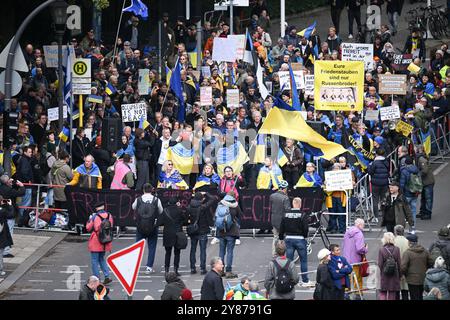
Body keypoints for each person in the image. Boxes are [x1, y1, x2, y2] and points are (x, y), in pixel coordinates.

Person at [132, 183, 163, 274]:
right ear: (152, 190)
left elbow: (133, 207)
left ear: (143, 190)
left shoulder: (138, 199)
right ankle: (149, 267)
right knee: (152, 247)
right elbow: (160, 211)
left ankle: (135, 266)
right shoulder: (156, 200)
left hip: (140, 225)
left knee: (137, 247)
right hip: (152, 226)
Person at [187, 192, 217, 275]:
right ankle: (202, 268)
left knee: (193, 249)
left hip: (193, 230)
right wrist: (206, 193)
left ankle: (192, 267)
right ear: (201, 199)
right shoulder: (202, 207)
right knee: (203, 250)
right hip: (203, 230)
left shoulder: (189, 207)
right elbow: (213, 199)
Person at [86, 201, 113, 285]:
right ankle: (107, 276)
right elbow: (111, 226)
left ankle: (96, 279)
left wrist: (89, 220)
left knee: (94, 260)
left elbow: (88, 228)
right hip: (105, 240)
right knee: (101, 259)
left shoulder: (95, 216)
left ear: (97, 208)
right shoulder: (109, 216)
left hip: (96, 240)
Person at [401, 233, 434, 300]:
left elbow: (403, 267)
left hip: (411, 279)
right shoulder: (425, 251)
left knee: (413, 296)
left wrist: (405, 274)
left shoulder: (407, 253)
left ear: (410, 242)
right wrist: (425, 269)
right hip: (422, 277)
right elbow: (431, 262)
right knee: (420, 295)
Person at [216, 191, 241, 279]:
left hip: (221, 230)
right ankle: (228, 271)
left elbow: (216, 216)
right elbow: (240, 215)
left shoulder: (220, 203)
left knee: (221, 251)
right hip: (231, 232)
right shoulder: (235, 205)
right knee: (230, 251)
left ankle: (220, 270)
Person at [160, 197, 187, 276]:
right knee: (177, 253)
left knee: (168, 253)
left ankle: (166, 270)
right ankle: (175, 270)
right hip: (177, 233)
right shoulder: (179, 210)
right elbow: (184, 219)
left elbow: (161, 221)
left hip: (167, 233)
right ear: (176, 203)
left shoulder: (165, 210)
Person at [342, 218, 368, 299]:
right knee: (357, 277)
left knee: (347, 278)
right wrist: (366, 249)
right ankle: (358, 294)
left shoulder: (347, 232)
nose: (364, 226)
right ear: (359, 225)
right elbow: (359, 248)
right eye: (363, 225)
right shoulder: (359, 234)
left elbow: (344, 245)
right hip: (355, 260)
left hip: (346, 259)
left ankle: (346, 293)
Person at [0, 175, 25, 258]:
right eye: (10, 181)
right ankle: (5, 251)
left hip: (1, 213)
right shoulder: (9, 190)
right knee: (8, 232)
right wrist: (21, 186)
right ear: (7, 182)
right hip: (9, 214)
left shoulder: (2, 189)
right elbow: (21, 193)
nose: (11, 182)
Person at [367, 148, 390, 222]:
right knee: (384, 199)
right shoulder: (386, 161)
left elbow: (370, 172)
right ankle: (385, 215)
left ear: (376, 154)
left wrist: (369, 166)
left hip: (375, 183)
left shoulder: (374, 163)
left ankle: (376, 217)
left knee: (375, 200)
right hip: (384, 183)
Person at [378, 232, 402, 300]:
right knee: (392, 293)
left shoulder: (381, 249)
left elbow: (380, 264)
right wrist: (400, 275)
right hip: (394, 274)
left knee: (383, 292)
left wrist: (378, 276)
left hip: (384, 273)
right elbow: (399, 263)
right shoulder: (397, 249)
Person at [269, 180, 291, 254]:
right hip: (282, 222)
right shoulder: (285, 198)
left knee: (275, 237)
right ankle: (283, 254)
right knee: (283, 238)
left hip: (274, 220)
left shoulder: (272, 196)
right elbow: (288, 211)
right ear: (285, 188)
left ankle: (274, 254)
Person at [399, 156, 420, 229]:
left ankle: (401, 228)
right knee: (413, 211)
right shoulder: (416, 170)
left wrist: (400, 192)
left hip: (407, 193)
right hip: (414, 193)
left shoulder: (404, 171)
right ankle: (412, 228)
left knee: (403, 211)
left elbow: (402, 183)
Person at [415, 144, 435, 220]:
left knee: (428, 198)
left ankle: (427, 213)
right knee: (423, 197)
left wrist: (417, 175)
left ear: (418, 149)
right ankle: (423, 211)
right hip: (424, 181)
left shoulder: (421, 159)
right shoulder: (419, 158)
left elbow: (425, 170)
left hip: (428, 181)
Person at [393, 225, 410, 300]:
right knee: (405, 288)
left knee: (396, 289)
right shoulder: (407, 242)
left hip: (395, 267)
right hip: (405, 267)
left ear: (395, 232)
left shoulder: (393, 241)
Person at [0, 196, 14, 276]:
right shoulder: (2, 211)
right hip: (1, 233)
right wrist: (10, 205)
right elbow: (11, 215)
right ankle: (0, 270)